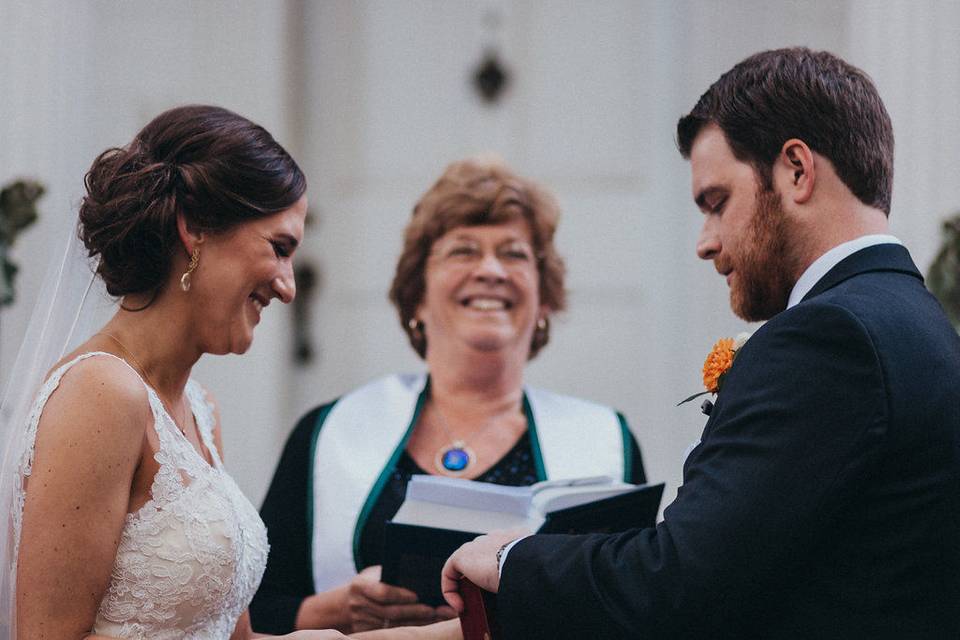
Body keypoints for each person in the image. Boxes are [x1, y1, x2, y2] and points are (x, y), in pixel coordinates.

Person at [442, 48, 960, 638]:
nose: (705, 243)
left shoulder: (828, 338)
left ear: (796, 170)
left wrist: (510, 560)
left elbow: (679, 584)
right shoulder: (922, 323)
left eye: (717, 204)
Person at [250, 156, 646, 635]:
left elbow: (638, 606)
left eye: (515, 254)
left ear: (544, 299)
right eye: (463, 251)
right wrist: (333, 612)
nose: (491, 270)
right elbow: (251, 612)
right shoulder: (328, 433)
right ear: (417, 294)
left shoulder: (606, 440)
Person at [1, 104, 355, 640]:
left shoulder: (202, 412)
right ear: (195, 228)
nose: (288, 286)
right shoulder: (101, 393)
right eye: (278, 248)